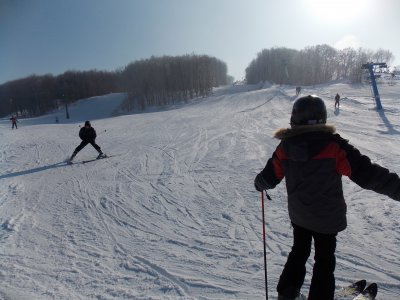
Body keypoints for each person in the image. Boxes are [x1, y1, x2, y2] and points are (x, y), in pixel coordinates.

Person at [254, 95, 400, 300]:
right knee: (324, 260)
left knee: (299, 252)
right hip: (327, 220)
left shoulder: (285, 147)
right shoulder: (333, 146)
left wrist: (259, 184)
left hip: (300, 217)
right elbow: (368, 174)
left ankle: (287, 293)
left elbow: (269, 177)